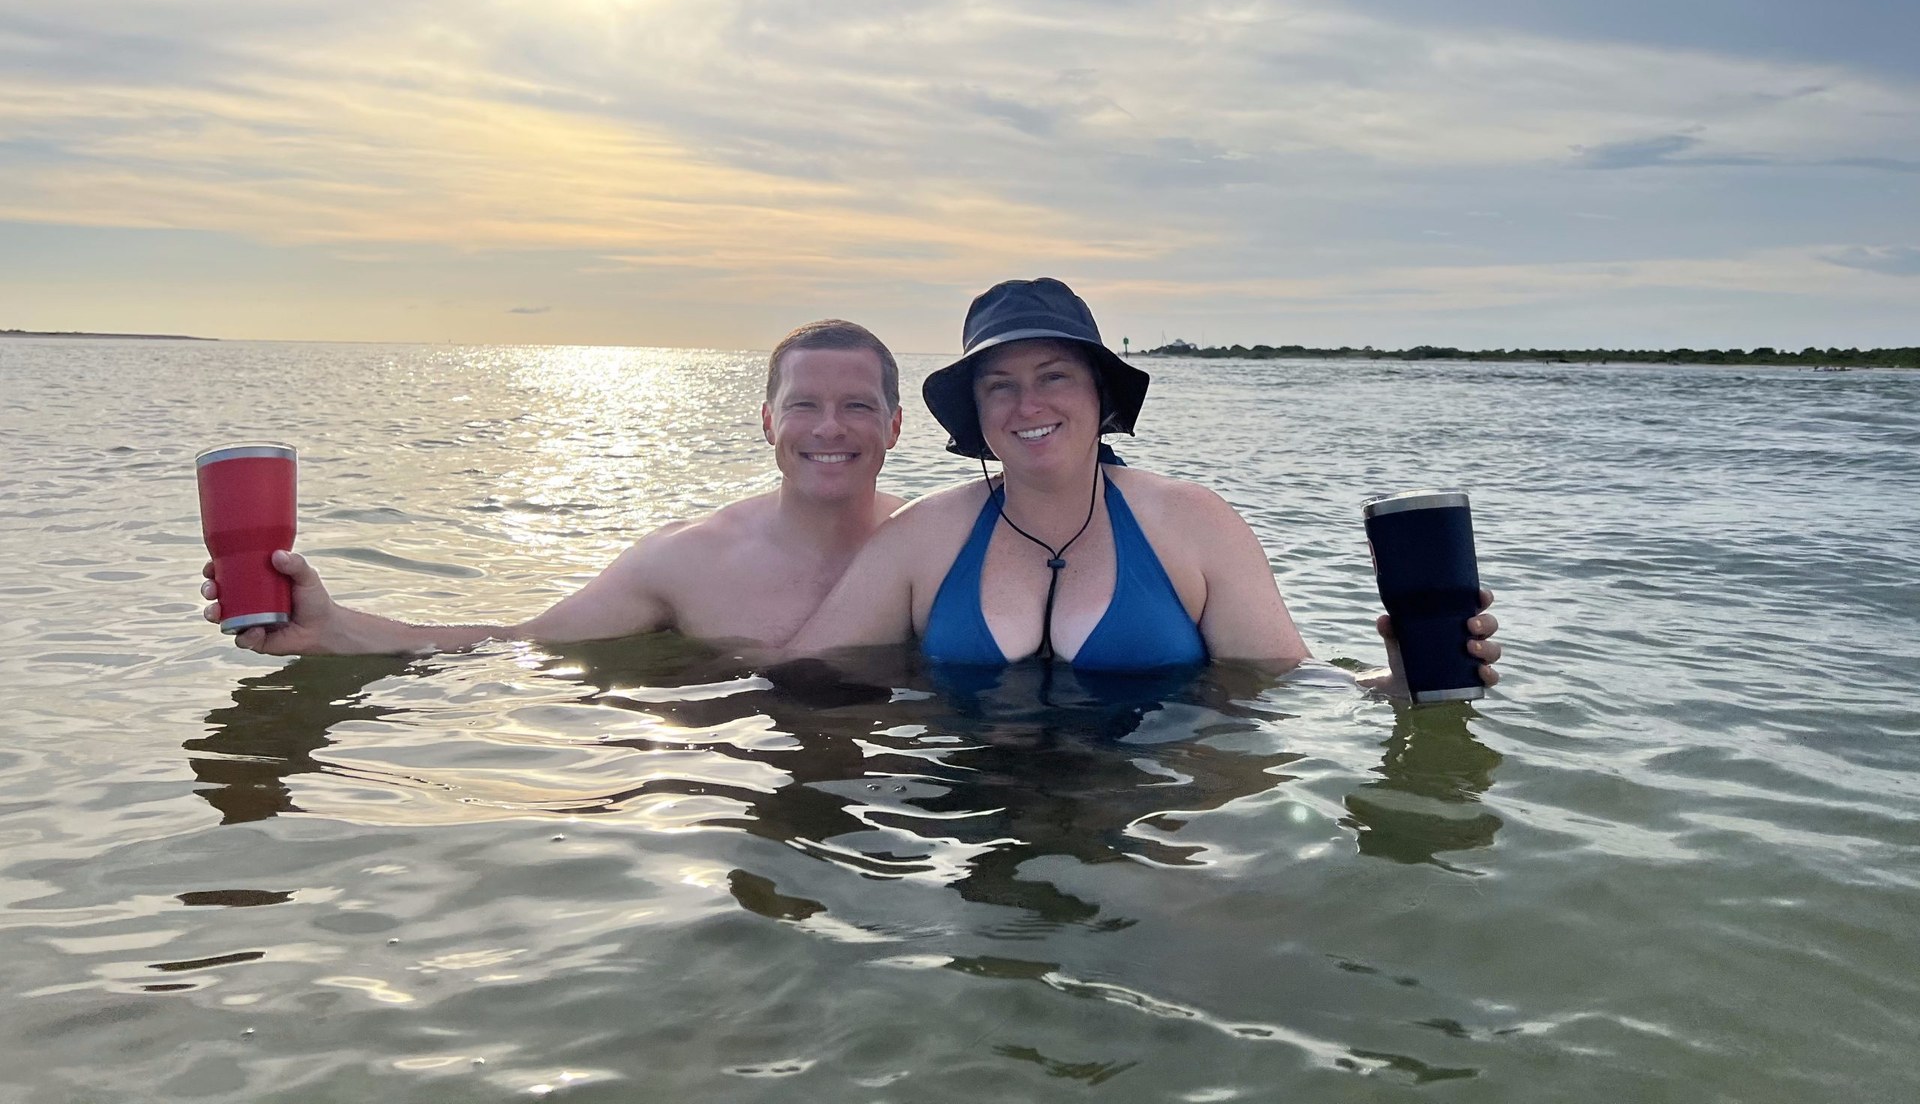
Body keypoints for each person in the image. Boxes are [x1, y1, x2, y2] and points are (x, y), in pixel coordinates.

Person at [779, 278, 1500, 693]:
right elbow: (801, 678)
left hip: (1152, 830)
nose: (1027, 406)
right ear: (977, 412)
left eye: (1053, 377)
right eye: (1000, 386)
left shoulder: (1192, 522)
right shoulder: (924, 536)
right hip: (973, 826)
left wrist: (1399, 682)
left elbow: (1289, 689)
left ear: (1100, 396)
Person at [205, 320, 906, 654]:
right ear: (766, 422)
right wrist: (333, 627)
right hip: (737, 773)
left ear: (896, 426)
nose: (829, 429)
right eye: (804, 406)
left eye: (858, 407)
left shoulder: (938, 545)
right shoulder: (687, 561)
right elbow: (516, 645)